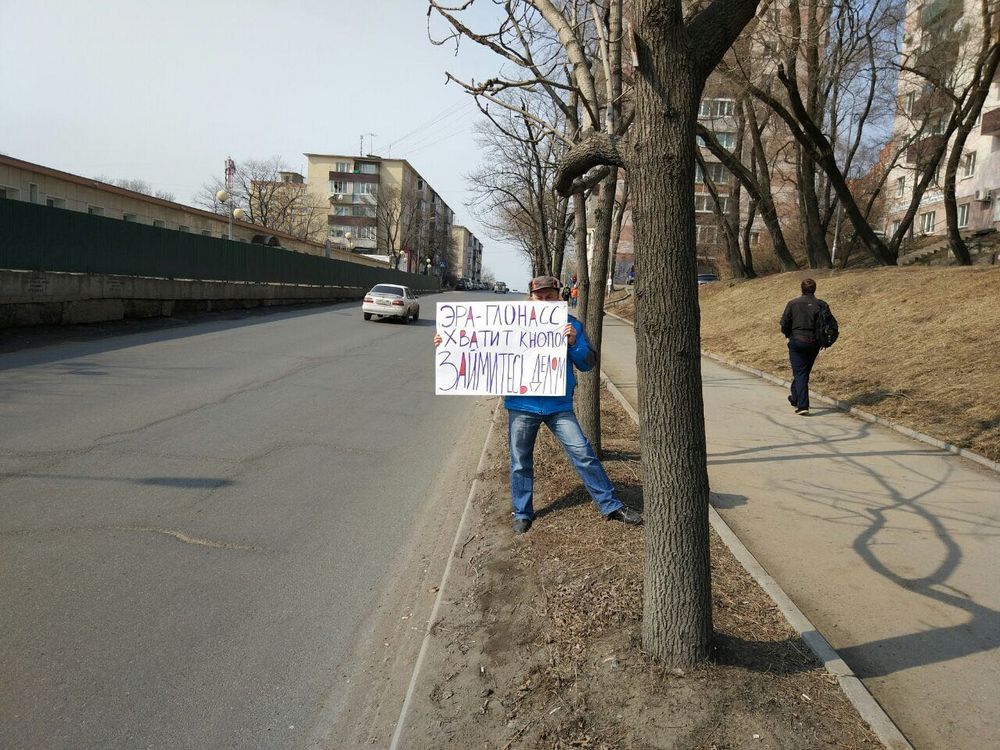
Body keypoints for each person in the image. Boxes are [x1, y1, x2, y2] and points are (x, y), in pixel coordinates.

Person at [434, 275, 642, 534]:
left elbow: (588, 363)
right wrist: (449, 344)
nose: (544, 302)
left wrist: (574, 344)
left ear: (559, 298)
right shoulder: (508, 325)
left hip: (558, 406)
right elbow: (478, 345)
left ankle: (610, 505)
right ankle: (523, 512)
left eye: (550, 297)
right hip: (522, 405)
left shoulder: (570, 325)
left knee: (583, 454)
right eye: (539, 297)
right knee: (520, 461)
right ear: (530, 298)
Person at [780, 278, 831, 416]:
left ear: (802, 289)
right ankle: (795, 397)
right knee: (803, 372)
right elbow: (830, 324)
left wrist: (787, 334)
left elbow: (784, 322)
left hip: (797, 341)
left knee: (800, 373)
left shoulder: (792, 303)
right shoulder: (821, 304)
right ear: (815, 289)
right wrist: (825, 341)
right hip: (813, 343)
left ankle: (803, 405)